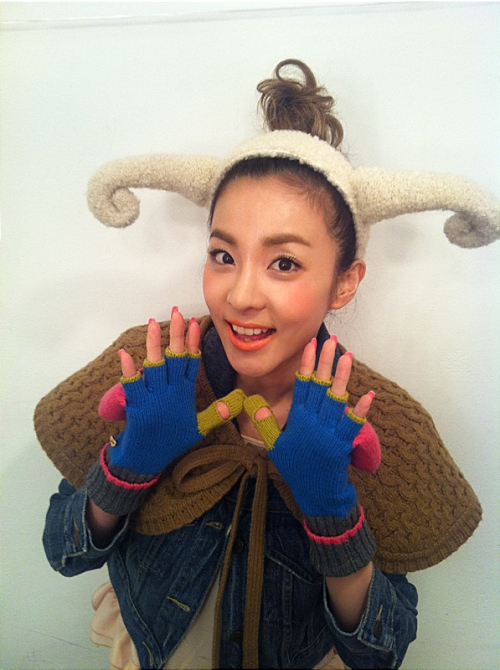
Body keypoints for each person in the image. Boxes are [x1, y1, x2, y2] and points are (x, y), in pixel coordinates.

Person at [36, 60, 497, 670]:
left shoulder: (372, 426)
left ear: (345, 282)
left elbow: (380, 651)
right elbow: (65, 553)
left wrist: (332, 511)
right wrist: (129, 465)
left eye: (284, 263)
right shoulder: (151, 369)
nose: (241, 295)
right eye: (223, 254)